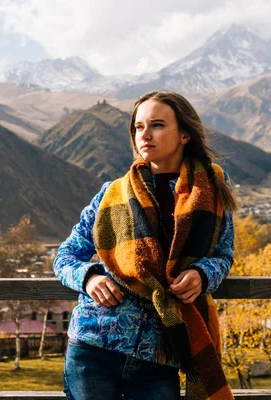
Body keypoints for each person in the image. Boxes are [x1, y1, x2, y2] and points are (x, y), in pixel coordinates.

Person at [53, 90, 237, 400]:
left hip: (159, 351)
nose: (145, 134)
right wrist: (89, 277)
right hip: (93, 345)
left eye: (157, 125)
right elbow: (66, 256)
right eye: (138, 127)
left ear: (184, 135)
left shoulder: (211, 190)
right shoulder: (111, 194)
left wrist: (203, 275)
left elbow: (223, 254)